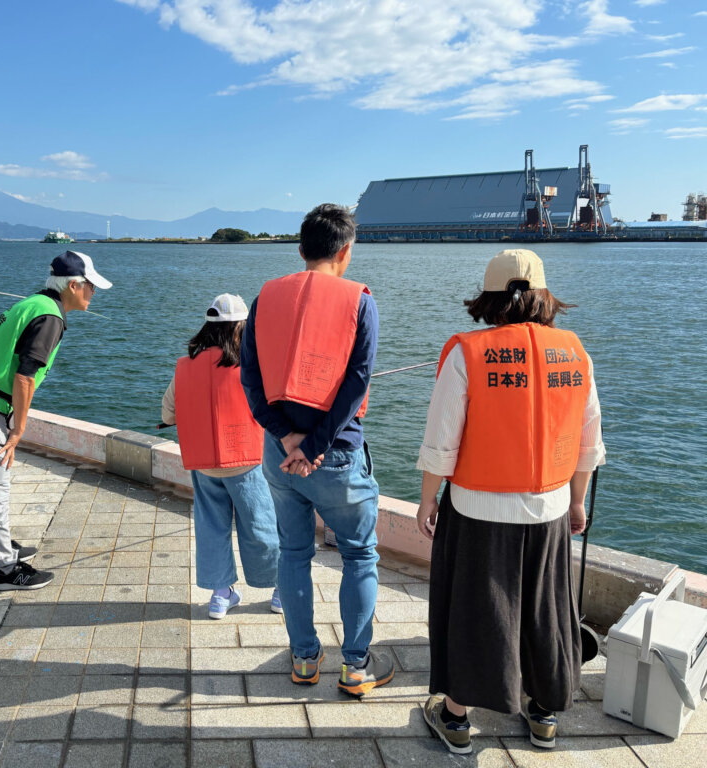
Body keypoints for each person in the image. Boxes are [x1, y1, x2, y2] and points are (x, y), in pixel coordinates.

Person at [415, 249, 606, 755]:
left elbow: (442, 441)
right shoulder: (574, 352)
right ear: (544, 297)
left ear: (488, 298)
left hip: (478, 507)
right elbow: (589, 441)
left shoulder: (467, 353)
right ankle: (543, 715)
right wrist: (577, 502)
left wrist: (428, 500)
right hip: (548, 508)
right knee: (546, 608)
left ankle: (456, 720)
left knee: (476, 610)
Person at [240, 203, 393, 698]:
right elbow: (357, 382)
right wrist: (316, 445)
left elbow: (252, 379)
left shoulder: (265, 297)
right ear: (345, 251)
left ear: (301, 248)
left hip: (280, 458)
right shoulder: (359, 300)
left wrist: (286, 437)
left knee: (295, 552)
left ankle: (305, 660)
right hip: (338, 456)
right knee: (359, 554)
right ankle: (355, 666)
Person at [0, 251, 112, 591]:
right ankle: (7, 571)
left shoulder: (33, 303)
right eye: (90, 287)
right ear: (73, 285)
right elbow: (25, 378)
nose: (93, 293)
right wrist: (18, 430)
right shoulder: (50, 317)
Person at [161, 294, 281, 619]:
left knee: (211, 527)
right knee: (261, 524)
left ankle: (220, 594)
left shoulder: (185, 366)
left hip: (203, 464)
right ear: (241, 327)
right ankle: (280, 588)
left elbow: (168, 412)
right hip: (246, 459)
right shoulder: (251, 366)